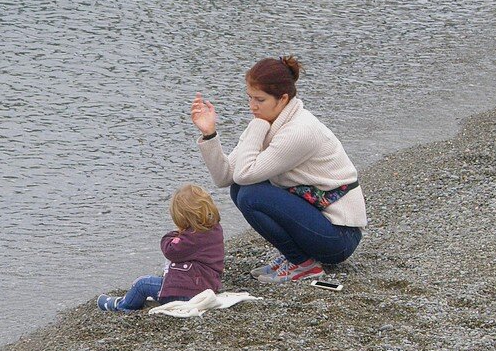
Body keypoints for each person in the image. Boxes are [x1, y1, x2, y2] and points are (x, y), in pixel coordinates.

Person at [191, 55, 366, 283]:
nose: (252, 106)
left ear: (283, 99)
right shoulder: (269, 120)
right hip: (317, 221)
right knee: (240, 190)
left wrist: (257, 127)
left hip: (339, 237)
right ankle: (296, 258)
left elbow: (244, 175)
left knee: (250, 195)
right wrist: (209, 134)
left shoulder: (298, 130)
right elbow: (225, 177)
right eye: (250, 98)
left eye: (260, 100)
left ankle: (303, 265)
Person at [97, 184, 224, 311]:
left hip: (188, 292)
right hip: (208, 285)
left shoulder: (193, 237)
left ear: (184, 218)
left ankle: (122, 306)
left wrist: (171, 236)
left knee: (142, 284)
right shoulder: (215, 229)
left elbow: (170, 250)